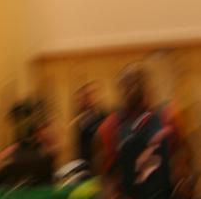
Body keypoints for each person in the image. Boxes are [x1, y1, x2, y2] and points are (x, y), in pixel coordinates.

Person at [95, 63, 193, 199]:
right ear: (120, 88)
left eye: (137, 82)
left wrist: (184, 182)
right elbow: (105, 174)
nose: (132, 88)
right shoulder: (109, 126)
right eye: (127, 83)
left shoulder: (168, 117)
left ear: (147, 85)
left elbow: (183, 156)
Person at [74, 81, 106, 166]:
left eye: (93, 93)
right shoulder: (78, 120)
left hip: (102, 165)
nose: (90, 97)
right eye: (86, 95)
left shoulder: (106, 117)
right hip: (84, 165)